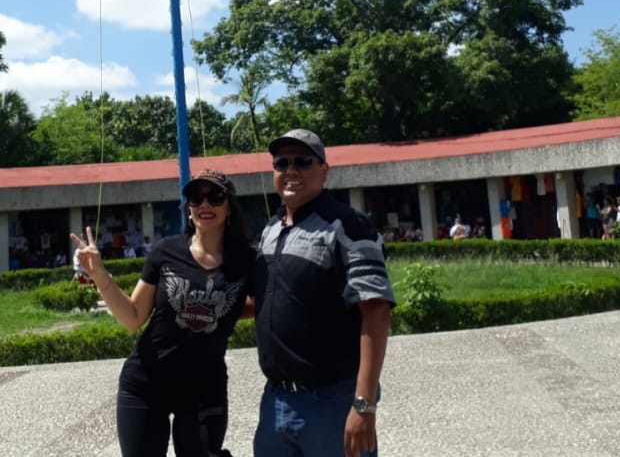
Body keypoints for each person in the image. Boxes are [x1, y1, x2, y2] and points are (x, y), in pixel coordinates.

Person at [72, 167, 252, 457]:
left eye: (215, 196)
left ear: (230, 205)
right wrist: (99, 274)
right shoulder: (166, 251)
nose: (205, 204)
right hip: (146, 384)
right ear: (188, 208)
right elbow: (132, 317)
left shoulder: (246, 260)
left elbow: (259, 304)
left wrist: (220, 313)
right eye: (196, 197)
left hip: (204, 389)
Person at [254, 128, 393, 457]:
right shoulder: (271, 229)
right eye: (281, 162)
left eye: (302, 162)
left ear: (324, 170)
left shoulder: (348, 226)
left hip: (332, 402)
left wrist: (364, 404)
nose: (290, 171)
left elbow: (376, 312)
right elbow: (262, 301)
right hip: (275, 401)